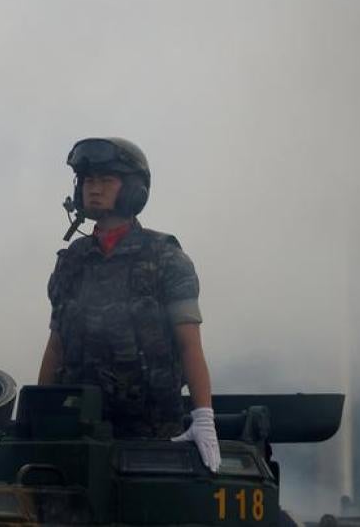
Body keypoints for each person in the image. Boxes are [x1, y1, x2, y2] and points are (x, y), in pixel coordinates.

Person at [38, 137, 221, 472]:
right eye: (89, 181)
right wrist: (38, 416)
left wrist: (203, 416)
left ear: (133, 190)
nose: (94, 189)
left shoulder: (166, 257)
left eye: (106, 180)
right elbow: (56, 346)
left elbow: (189, 345)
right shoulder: (72, 262)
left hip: (152, 439)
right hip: (79, 434)